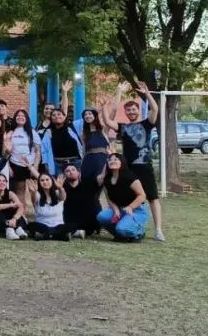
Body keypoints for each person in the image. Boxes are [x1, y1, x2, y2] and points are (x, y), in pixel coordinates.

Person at [101, 81, 164, 241]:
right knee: (130, 197)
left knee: (152, 198)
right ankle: (128, 221)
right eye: (128, 110)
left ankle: (158, 230)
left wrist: (147, 93)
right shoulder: (123, 127)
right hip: (128, 169)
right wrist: (118, 91)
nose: (131, 111)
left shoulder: (147, 123)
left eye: (133, 109)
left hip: (145, 167)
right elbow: (108, 122)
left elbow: (155, 109)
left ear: (138, 110)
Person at [97, 153, 149, 241]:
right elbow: (109, 199)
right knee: (101, 217)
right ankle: (120, 235)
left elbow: (142, 195)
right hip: (119, 208)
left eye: (116, 159)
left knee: (122, 228)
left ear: (122, 162)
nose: (112, 161)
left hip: (136, 210)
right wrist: (116, 210)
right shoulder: (107, 180)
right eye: (110, 160)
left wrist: (130, 207)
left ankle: (139, 233)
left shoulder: (129, 177)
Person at [7, 109, 40, 210]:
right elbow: (7, 151)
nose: (20, 117)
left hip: (29, 165)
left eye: (23, 116)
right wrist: (8, 166)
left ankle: (39, 212)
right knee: (19, 191)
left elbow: (37, 151)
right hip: (15, 163)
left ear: (26, 119)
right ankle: (22, 215)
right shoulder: (10, 132)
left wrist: (35, 166)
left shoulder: (32, 132)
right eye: (18, 115)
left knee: (33, 190)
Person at [61, 162, 103, 239]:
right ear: (64, 175)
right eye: (67, 171)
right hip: (72, 222)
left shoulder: (88, 183)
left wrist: (108, 160)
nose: (71, 172)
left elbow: (102, 177)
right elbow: (43, 178)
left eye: (73, 170)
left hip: (90, 221)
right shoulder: (63, 188)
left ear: (78, 173)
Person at [40, 108, 83, 177]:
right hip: (58, 164)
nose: (56, 116)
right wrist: (46, 164)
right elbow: (44, 150)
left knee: (78, 184)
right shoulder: (48, 132)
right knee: (60, 185)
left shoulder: (72, 127)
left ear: (64, 116)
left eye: (59, 114)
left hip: (76, 162)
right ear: (51, 118)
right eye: (53, 115)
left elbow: (84, 120)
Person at [29, 173, 70, 241]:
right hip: (42, 226)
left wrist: (60, 188)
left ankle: (45, 236)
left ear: (52, 181)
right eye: (42, 180)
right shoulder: (37, 194)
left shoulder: (57, 192)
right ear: (39, 183)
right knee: (31, 225)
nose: (45, 182)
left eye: (47, 180)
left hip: (58, 226)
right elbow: (34, 200)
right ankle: (59, 236)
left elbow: (63, 197)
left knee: (72, 226)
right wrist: (34, 192)